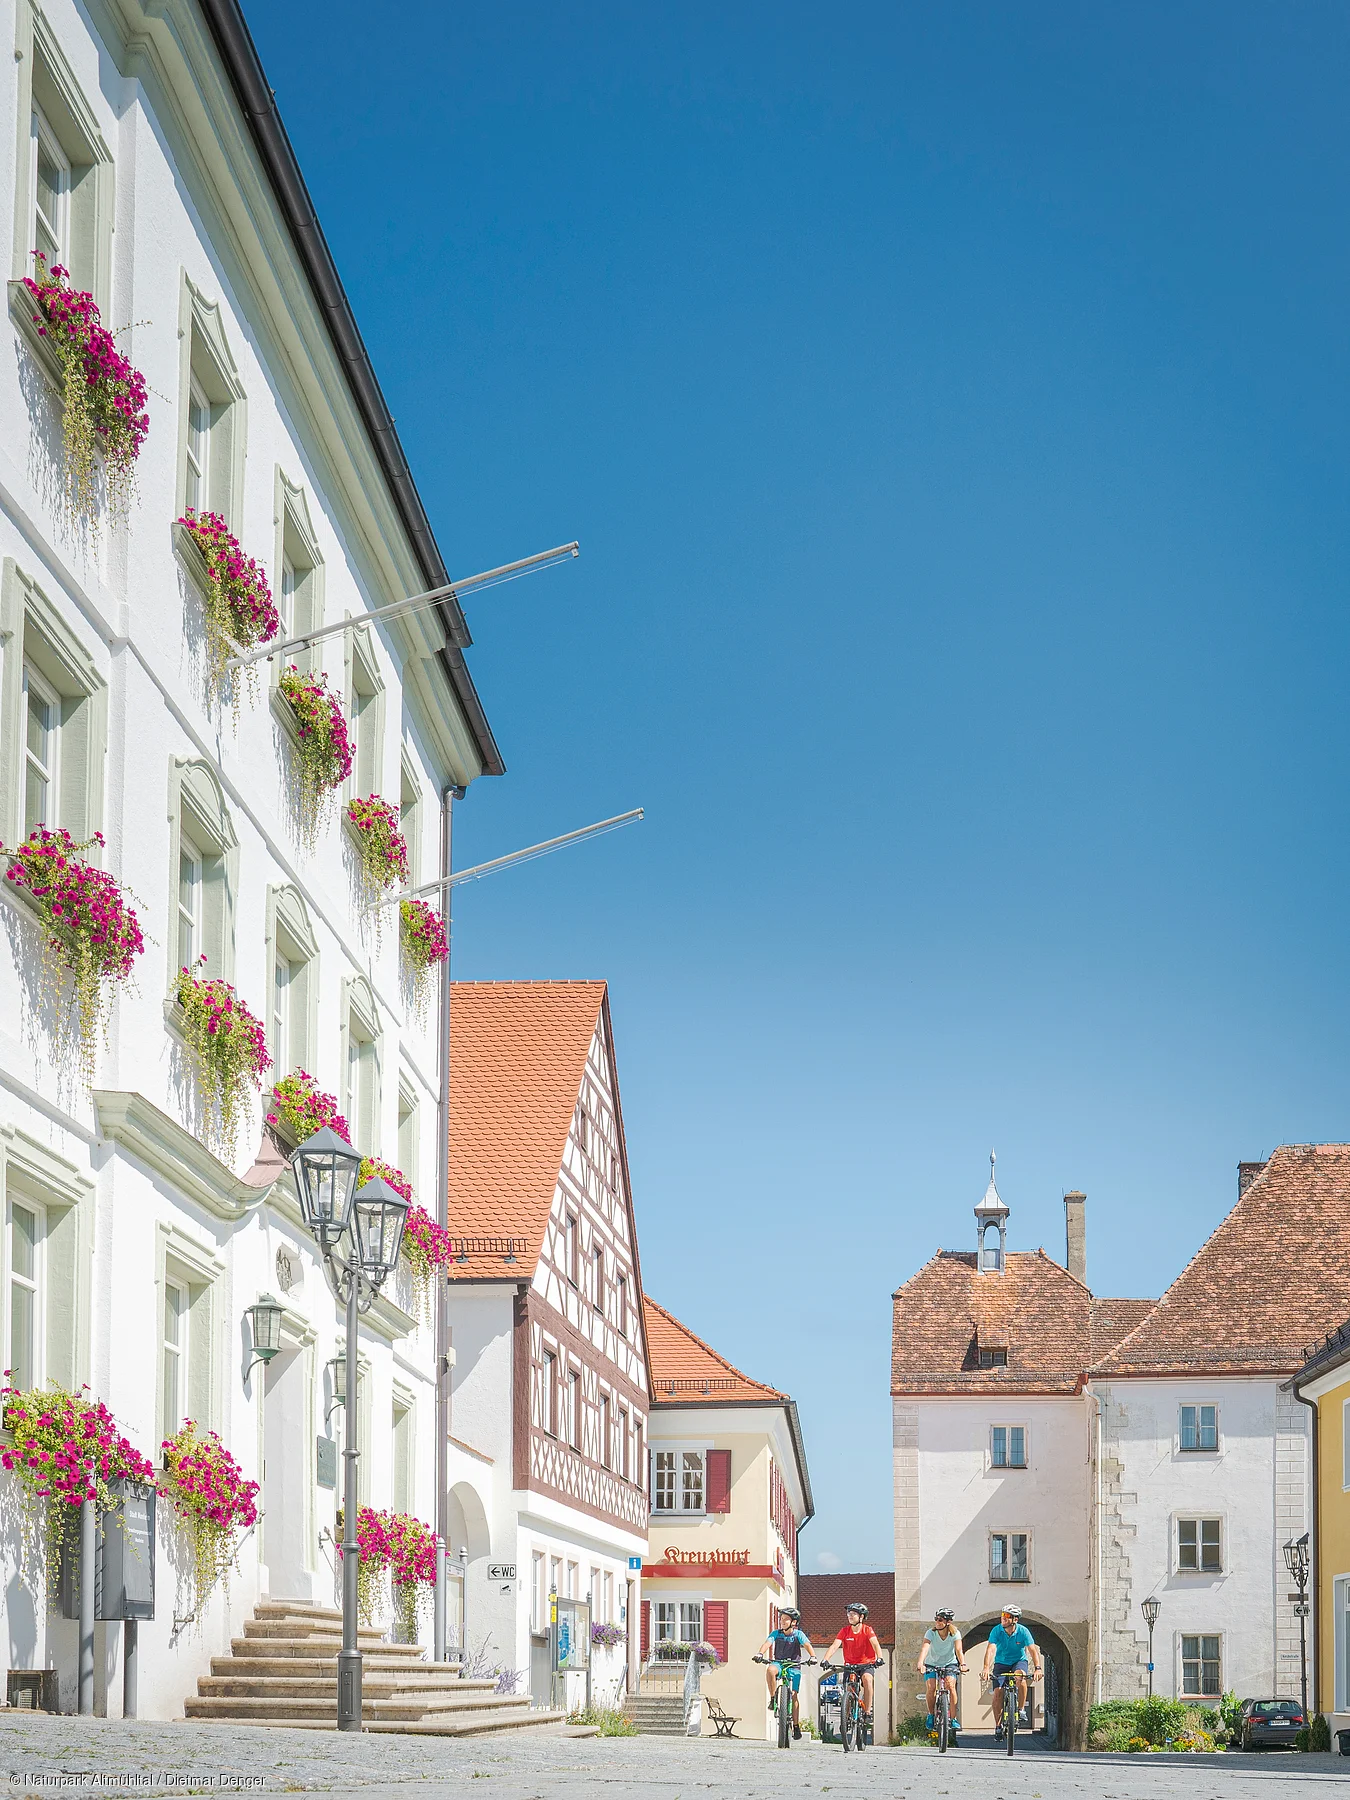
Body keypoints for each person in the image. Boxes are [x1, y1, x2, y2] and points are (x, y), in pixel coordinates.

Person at [981, 1605, 1041, 1738]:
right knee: (998, 1693)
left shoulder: (1023, 1631)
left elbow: (1032, 1650)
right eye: (1003, 1615)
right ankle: (998, 1726)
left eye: (1007, 1616)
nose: (1003, 1618)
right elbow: (990, 1649)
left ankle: (1021, 1710)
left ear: (1015, 1620)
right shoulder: (996, 1630)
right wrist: (986, 1667)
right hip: (1001, 1662)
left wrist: (1038, 1668)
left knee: (1021, 1677)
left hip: (1018, 1661)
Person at [822, 1601, 883, 1731]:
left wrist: (879, 1657)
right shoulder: (845, 1631)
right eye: (849, 1613)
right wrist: (825, 1659)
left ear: (861, 1617)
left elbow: (876, 1644)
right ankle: (847, 1716)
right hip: (850, 1665)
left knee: (867, 1680)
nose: (850, 1615)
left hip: (866, 1664)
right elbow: (834, 1646)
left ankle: (867, 1711)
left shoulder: (867, 1630)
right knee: (849, 1690)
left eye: (853, 1613)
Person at [755, 1606, 812, 1739]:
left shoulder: (798, 1634)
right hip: (779, 1663)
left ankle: (796, 1725)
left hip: (794, 1666)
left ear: (794, 1622)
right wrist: (760, 1653)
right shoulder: (776, 1633)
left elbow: (807, 1645)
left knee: (794, 1695)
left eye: (786, 1619)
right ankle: (774, 1698)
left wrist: (813, 1656)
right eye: (781, 1619)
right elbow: (767, 1643)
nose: (782, 1621)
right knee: (770, 1669)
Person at [916, 1606, 967, 1737]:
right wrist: (920, 1663)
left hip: (950, 1663)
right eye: (936, 1619)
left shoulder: (955, 1633)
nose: (937, 1622)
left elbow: (959, 1650)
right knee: (931, 1687)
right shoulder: (930, 1633)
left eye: (940, 1620)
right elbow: (925, 1648)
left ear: (948, 1622)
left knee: (951, 1686)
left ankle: (953, 1719)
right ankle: (931, 1715)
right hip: (931, 1663)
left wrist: (963, 1664)